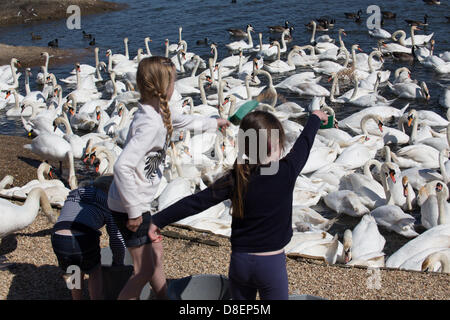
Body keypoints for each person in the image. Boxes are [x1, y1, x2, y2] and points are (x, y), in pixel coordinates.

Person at [149, 109, 328, 300]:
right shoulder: (287, 171)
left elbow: (196, 202)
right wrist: (315, 118)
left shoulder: (236, 178)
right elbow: (304, 144)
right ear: (274, 146)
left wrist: (157, 220)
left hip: (240, 262)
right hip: (271, 264)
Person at [107, 56, 230, 300]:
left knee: (156, 256)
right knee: (143, 271)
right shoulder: (149, 124)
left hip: (138, 201)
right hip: (129, 206)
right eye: (174, 80)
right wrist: (133, 212)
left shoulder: (158, 110)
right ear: (165, 87)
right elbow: (121, 167)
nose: (176, 85)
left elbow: (183, 120)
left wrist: (214, 123)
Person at [51, 175, 125, 300]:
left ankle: (77, 298)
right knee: (94, 271)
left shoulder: (74, 194)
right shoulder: (108, 202)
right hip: (84, 237)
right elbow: (116, 237)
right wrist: (118, 262)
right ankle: (96, 297)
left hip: (58, 235)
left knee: (73, 269)